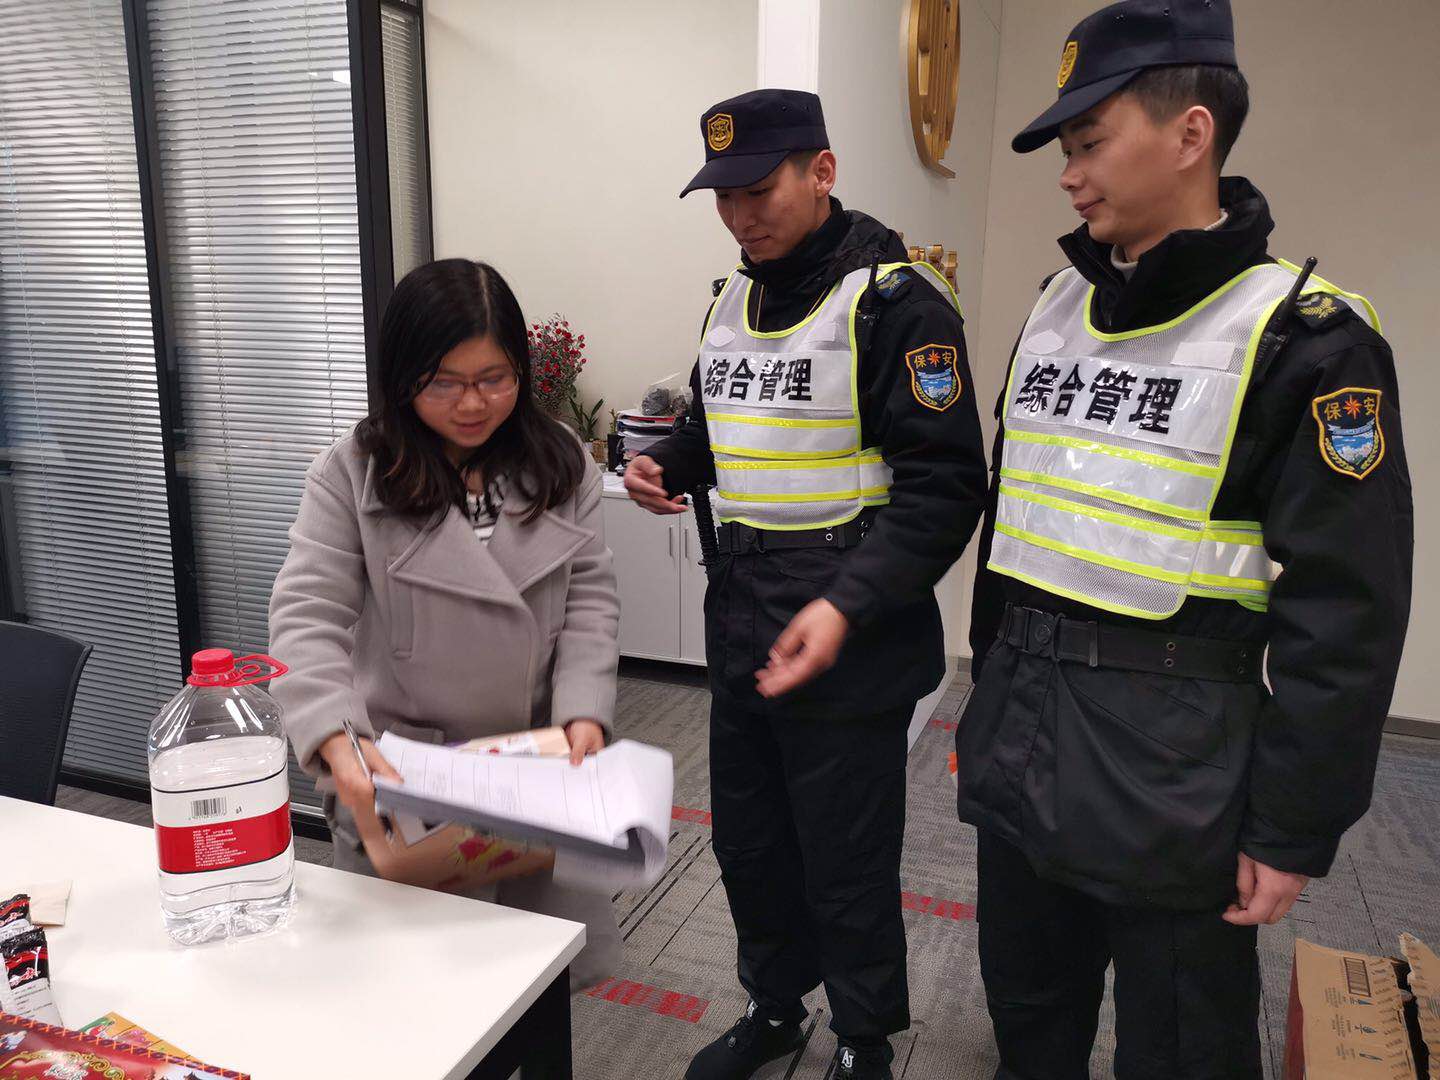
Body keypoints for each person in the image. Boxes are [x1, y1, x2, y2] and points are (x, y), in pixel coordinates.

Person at [955, 2, 1414, 1076]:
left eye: (1089, 143)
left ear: (1191, 134)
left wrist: (1292, 827)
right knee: (1028, 1019)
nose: (1070, 176)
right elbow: (1014, 530)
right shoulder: (1057, 307)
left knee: (1180, 1048)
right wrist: (985, 704)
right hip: (1024, 736)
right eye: (1065, 151)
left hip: (1176, 778)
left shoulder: (1306, 338)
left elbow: (1347, 614)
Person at [625, 89, 988, 1079]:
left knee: (845, 855)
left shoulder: (896, 303)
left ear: (821, 171)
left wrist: (844, 605)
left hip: (848, 632)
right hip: (744, 617)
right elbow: (714, 432)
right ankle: (775, 1007)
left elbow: (946, 486)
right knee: (749, 841)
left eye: (759, 189)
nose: (740, 214)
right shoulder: (728, 302)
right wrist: (666, 463)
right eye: (723, 196)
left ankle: (864, 1038)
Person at [268, 258, 622, 990]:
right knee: (411, 994)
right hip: (408, 776)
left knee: (532, 989)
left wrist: (585, 711)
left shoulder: (561, 463)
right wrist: (335, 737)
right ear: (402, 379)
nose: (473, 403)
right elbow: (308, 616)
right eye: (444, 383)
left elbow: (589, 597)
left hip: (531, 769)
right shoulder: (354, 471)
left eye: (495, 378)